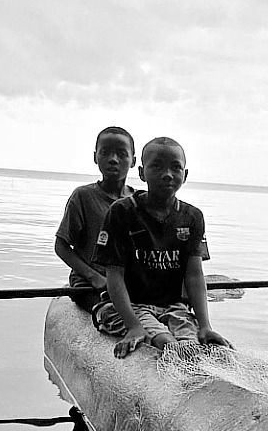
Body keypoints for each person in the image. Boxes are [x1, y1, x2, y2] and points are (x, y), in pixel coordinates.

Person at [96, 136, 229, 357]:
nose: (167, 174)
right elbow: (114, 275)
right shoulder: (122, 212)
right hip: (130, 306)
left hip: (174, 308)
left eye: (175, 167)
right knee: (166, 343)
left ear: (185, 175)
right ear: (142, 173)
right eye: (157, 166)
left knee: (195, 346)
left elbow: (194, 275)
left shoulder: (192, 217)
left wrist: (205, 326)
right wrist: (133, 325)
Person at [54, 127, 136, 324]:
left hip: (125, 284)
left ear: (133, 161)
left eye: (121, 154)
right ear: (95, 157)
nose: (113, 159)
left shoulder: (138, 202)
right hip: (89, 284)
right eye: (105, 153)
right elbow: (61, 246)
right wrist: (94, 277)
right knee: (119, 316)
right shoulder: (83, 196)